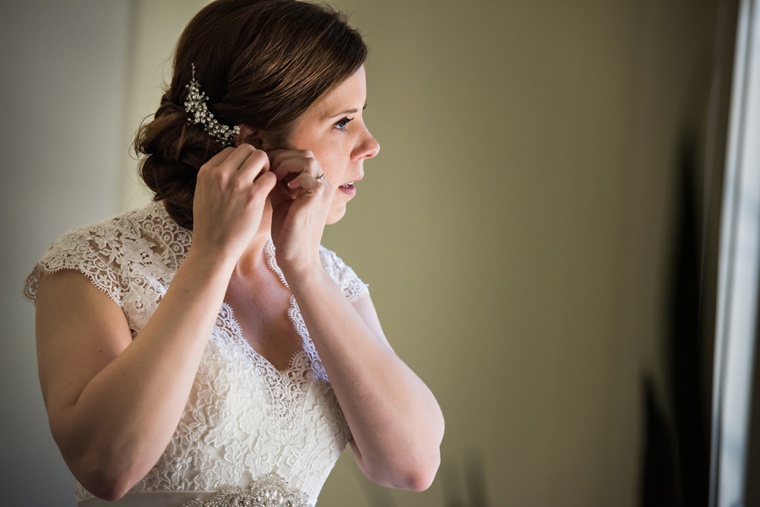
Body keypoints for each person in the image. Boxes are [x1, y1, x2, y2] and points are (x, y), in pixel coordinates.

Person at [23, 1, 445, 505]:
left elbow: (412, 466)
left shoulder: (334, 282)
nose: (370, 145)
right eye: (342, 122)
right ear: (254, 140)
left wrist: (305, 271)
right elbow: (107, 467)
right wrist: (210, 258)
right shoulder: (95, 265)